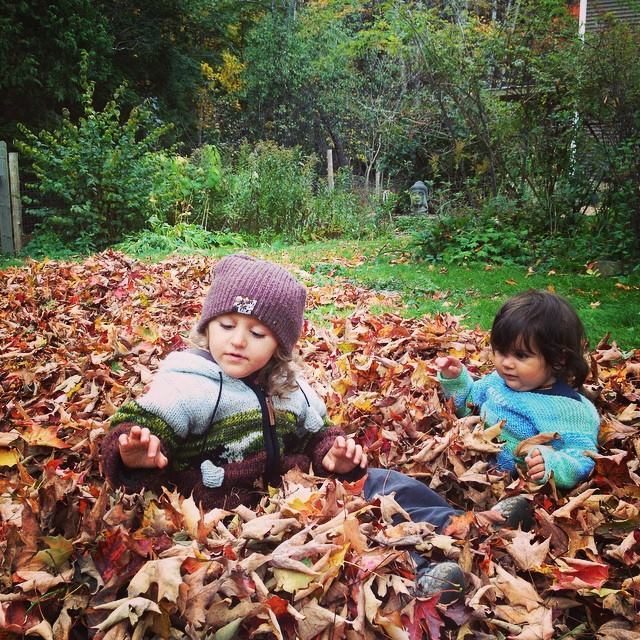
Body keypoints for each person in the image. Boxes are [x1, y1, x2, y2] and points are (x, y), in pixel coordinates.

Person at [100, 254, 464, 603]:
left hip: (295, 495)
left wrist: (332, 453)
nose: (238, 340)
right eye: (226, 326)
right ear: (207, 325)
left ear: (280, 344)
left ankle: (458, 528)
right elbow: (139, 424)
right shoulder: (187, 385)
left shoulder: (290, 389)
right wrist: (131, 453)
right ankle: (422, 573)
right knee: (338, 543)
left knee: (385, 482)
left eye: (257, 333)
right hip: (227, 521)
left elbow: (317, 434)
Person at [436, 290, 600, 491]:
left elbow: (583, 458)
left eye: (521, 355)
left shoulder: (568, 410)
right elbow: (468, 405)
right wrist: (456, 381)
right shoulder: (498, 381)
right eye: (500, 351)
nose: (506, 363)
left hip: (514, 485)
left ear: (558, 359)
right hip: (470, 467)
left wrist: (550, 464)